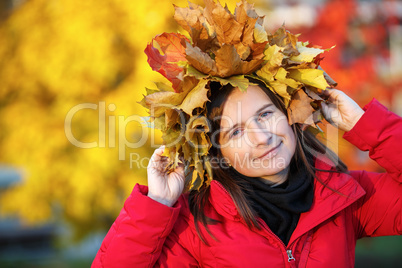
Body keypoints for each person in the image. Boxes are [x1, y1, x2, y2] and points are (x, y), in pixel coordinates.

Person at [92, 0, 402, 267]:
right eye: (236, 131)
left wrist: (364, 124)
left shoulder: (343, 196)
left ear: (289, 112)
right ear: (216, 149)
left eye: (265, 115)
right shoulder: (197, 226)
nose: (261, 137)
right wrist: (157, 203)